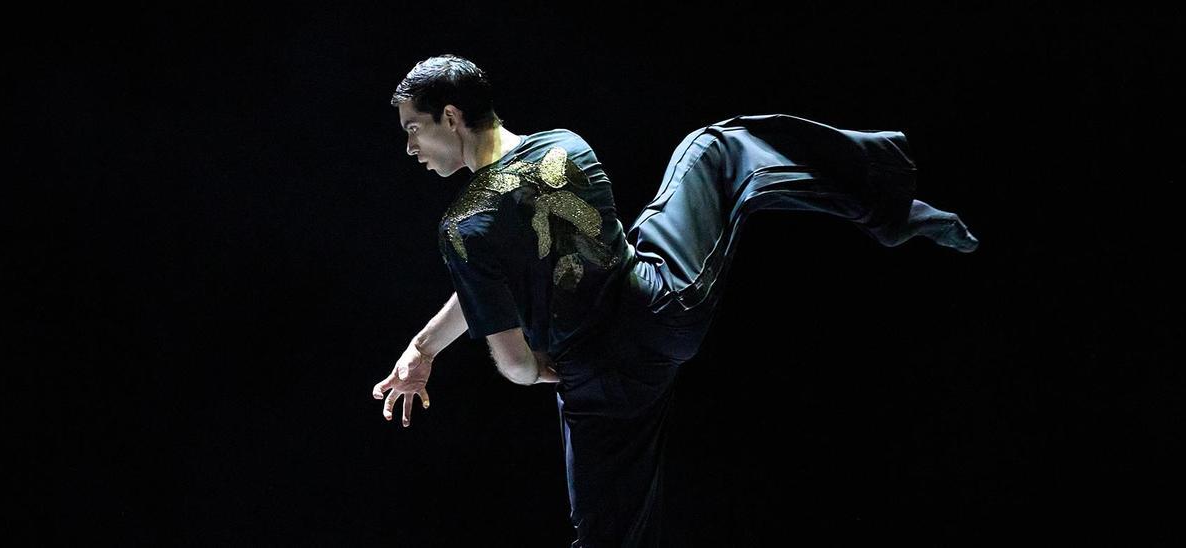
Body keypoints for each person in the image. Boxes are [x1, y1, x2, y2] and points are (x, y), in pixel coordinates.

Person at [371, 53, 979, 547]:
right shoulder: (564, 144)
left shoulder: (463, 224)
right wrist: (423, 347)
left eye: (412, 130)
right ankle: (889, 204)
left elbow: (512, 360)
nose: (410, 149)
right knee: (717, 149)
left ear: (450, 116)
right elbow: (495, 272)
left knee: (606, 537)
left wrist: (538, 373)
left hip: (601, 378)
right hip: (660, 308)